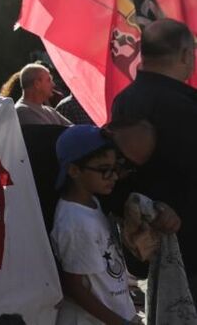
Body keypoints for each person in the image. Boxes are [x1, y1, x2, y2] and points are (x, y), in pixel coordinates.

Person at [109, 18, 197, 291]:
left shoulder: (123, 101)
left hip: (147, 243)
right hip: (189, 245)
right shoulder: (186, 106)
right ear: (185, 54)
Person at [49, 126, 141, 325]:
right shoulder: (75, 222)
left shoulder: (92, 203)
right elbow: (73, 287)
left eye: (115, 168)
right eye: (104, 170)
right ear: (74, 170)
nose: (114, 176)